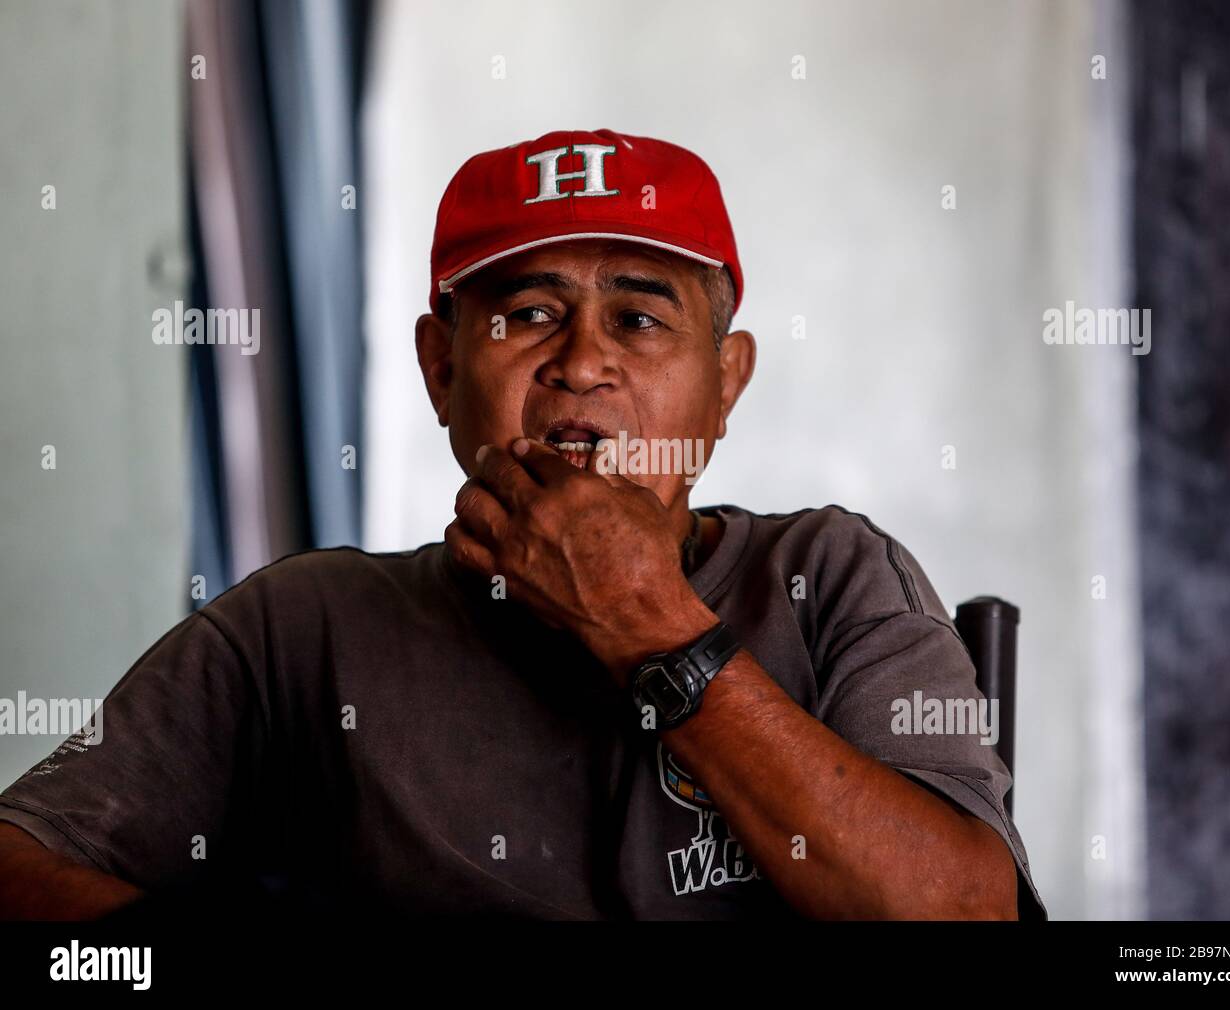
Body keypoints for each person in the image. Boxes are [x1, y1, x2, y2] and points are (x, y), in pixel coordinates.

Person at [0, 128, 1046, 920]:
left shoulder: (829, 574)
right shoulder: (307, 624)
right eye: (527, 313)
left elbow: (964, 910)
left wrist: (656, 628)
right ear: (440, 367)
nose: (582, 362)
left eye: (639, 318)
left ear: (725, 384)